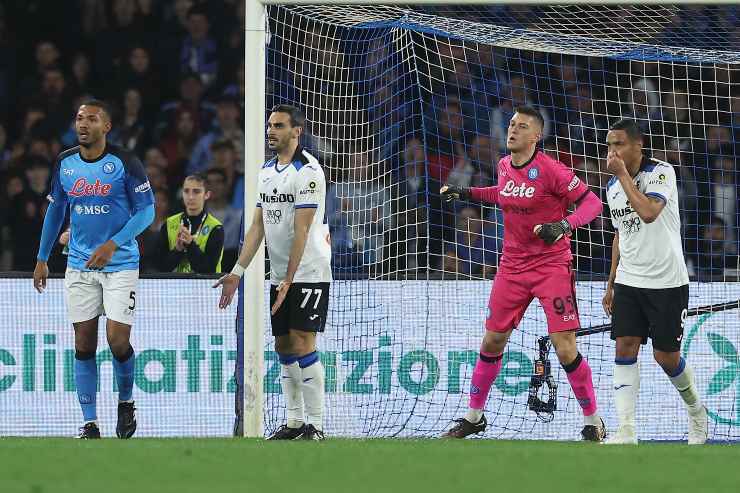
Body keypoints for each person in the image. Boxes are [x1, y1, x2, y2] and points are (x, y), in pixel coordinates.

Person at [440, 106, 606, 441]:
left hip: (551, 267)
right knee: (493, 339)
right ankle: (474, 417)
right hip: (512, 267)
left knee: (564, 347)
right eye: (512, 124)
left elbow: (593, 205)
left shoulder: (552, 169)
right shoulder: (503, 166)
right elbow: (502, 195)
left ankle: (593, 421)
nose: (513, 129)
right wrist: (468, 192)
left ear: (536, 136)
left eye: (522, 126)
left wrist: (564, 224)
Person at [33, 100, 155, 439]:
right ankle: (89, 423)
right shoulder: (65, 163)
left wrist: (113, 243)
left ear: (107, 127)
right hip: (78, 265)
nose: (83, 123)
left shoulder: (125, 163)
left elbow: (147, 212)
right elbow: (56, 212)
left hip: (120, 264)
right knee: (84, 344)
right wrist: (43, 258)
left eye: (92, 118)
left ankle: (126, 400)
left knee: (117, 341)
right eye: (79, 118)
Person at [214, 104, 331, 440]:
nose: (271, 131)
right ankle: (294, 422)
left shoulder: (308, 171)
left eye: (279, 126)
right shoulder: (265, 171)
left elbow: (302, 229)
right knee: (282, 345)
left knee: (303, 341)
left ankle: (316, 425)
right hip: (280, 274)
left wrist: (290, 278)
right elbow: (257, 226)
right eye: (269, 125)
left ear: (297, 131)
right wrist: (237, 272)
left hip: (308, 271)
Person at [602, 119, 707, 445]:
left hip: (667, 281)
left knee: (666, 357)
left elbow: (648, 212)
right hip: (630, 280)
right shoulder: (611, 187)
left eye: (618, 144)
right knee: (625, 347)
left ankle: (696, 411)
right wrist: (611, 282)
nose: (612, 152)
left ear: (638, 144)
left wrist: (622, 175)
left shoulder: (661, 173)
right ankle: (627, 430)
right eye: (608, 145)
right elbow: (621, 233)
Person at [158, 173, 224, 273]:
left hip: (205, 288)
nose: (191, 197)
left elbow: (208, 269)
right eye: (186, 191)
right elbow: (160, 267)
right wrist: (177, 250)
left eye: (196, 192)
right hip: (174, 287)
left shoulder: (216, 227)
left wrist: (190, 245)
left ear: (207, 195)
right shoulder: (169, 224)